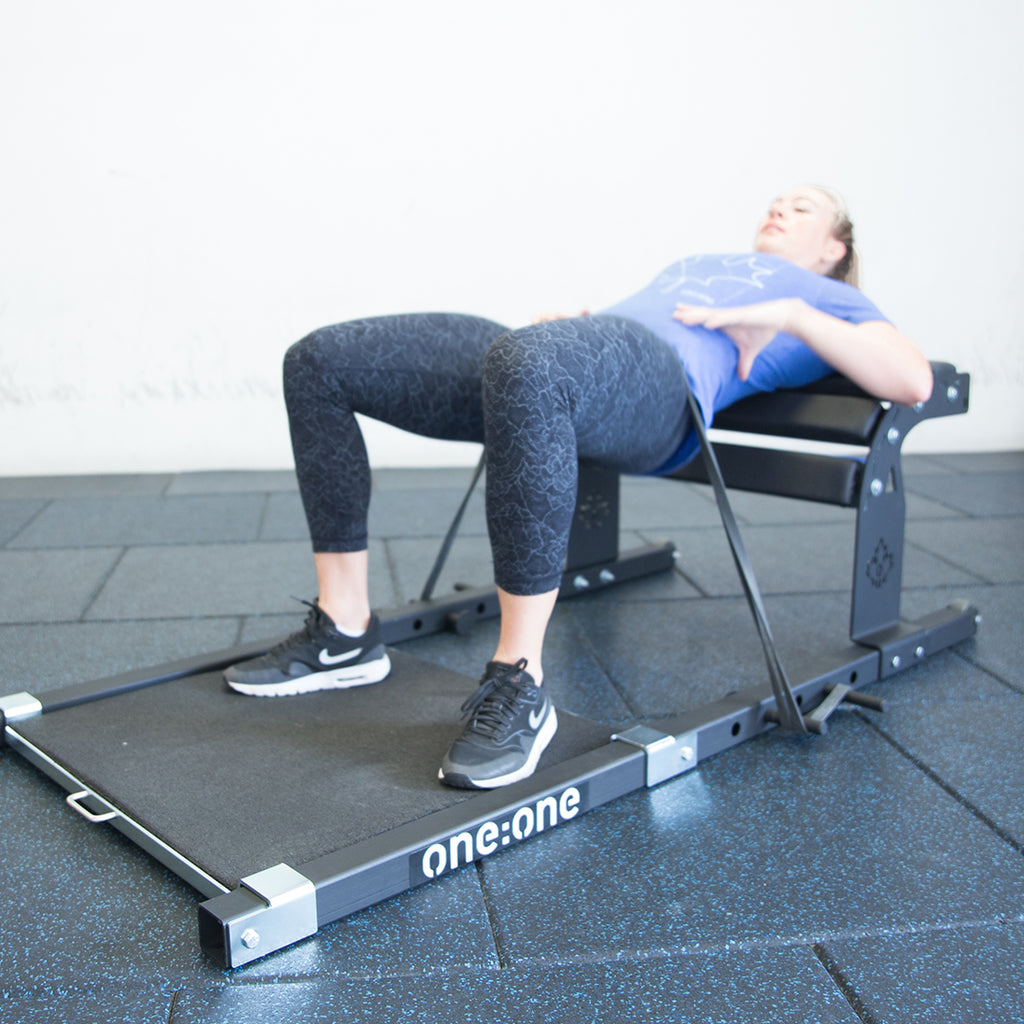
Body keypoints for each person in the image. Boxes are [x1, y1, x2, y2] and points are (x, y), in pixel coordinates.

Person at [223, 185, 933, 791]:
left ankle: (520, 681)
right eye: (776, 202)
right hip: (586, 360)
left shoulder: (829, 299)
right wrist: (577, 336)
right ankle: (345, 629)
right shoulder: (701, 263)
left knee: (531, 364)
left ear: (834, 247)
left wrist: (791, 313)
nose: (779, 209)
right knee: (319, 362)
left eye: (802, 208)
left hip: (665, 396)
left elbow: (913, 379)